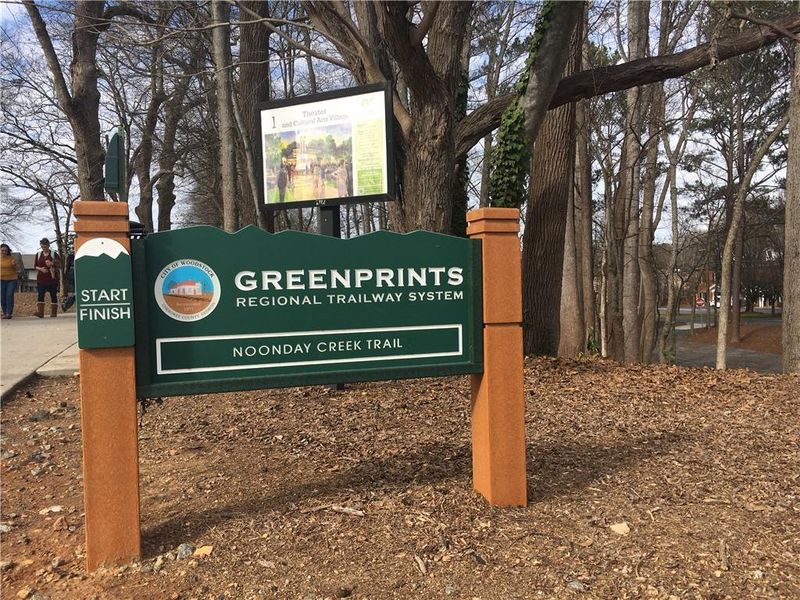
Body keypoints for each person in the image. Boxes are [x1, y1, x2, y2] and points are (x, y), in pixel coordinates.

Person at [34, 238, 61, 318]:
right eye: (42, 246)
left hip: (52, 278)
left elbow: (60, 264)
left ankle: (53, 313)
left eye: (45, 246)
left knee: (53, 295)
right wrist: (41, 269)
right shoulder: (38, 254)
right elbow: (35, 266)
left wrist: (52, 263)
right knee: (40, 294)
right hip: (41, 278)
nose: (43, 248)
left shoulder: (53, 254)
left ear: (48, 246)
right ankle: (40, 312)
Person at [1, 243, 20, 319]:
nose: (4, 252)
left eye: (5, 251)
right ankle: (5, 312)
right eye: (2, 250)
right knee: (2, 297)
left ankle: (9, 313)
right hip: (1, 280)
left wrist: (15, 265)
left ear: (8, 251)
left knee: (9, 295)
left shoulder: (11, 258)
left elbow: (18, 269)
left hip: (11, 279)